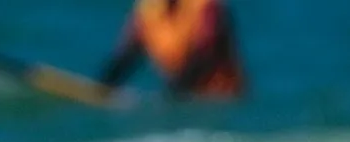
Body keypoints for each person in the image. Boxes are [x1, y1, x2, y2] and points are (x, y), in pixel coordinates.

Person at [99, 0, 246, 99]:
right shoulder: (148, 11)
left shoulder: (207, 6)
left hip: (220, 98)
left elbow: (205, 53)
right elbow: (128, 55)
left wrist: (173, 93)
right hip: (182, 96)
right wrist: (104, 86)